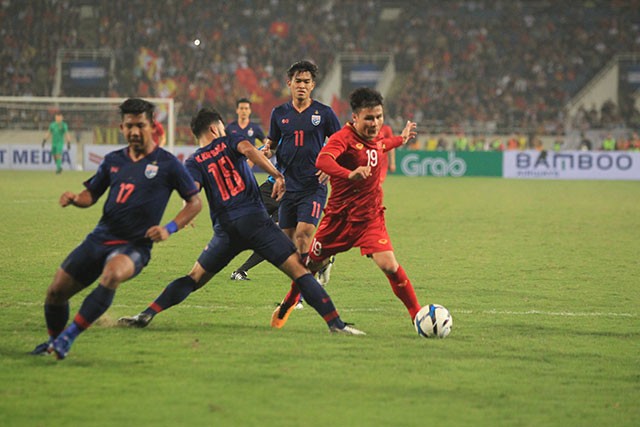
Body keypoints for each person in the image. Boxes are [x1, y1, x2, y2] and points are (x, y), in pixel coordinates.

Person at [117, 108, 365, 336]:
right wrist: (276, 175)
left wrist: (177, 221)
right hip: (256, 223)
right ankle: (336, 324)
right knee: (301, 272)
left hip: (225, 231)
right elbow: (250, 151)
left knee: (193, 278)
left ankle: (146, 313)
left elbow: (191, 195)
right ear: (216, 128)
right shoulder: (231, 139)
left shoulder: (193, 161)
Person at [31, 98, 203, 360]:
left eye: (140, 125)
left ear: (152, 126)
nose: (135, 131)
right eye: (129, 126)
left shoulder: (168, 163)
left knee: (112, 274)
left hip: (135, 245)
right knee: (55, 293)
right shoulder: (113, 160)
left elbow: (194, 202)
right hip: (99, 238)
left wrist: (169, 228)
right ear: (122, 127)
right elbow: (92, 194)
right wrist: (77, 199)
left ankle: (69, 336)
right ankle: (54, 341)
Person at [271, 87, 422, 329]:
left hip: (370, 219)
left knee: (390, 266)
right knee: (308, 268)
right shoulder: (344, 138)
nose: (375, 123)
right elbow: (322, 160)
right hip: (338, 221)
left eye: (379, 117)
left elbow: (383, 145)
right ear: (355, 118)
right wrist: (348, 174)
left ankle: (417, 316)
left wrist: (402, 139)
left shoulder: (375, 139)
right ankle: (288, 303)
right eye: (369, 118)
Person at [263, 60, 341, 289]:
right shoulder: (279, 114)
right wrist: (267, 150)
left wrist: (331, 164)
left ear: (313, 85)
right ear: (289, 83)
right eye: (298, 81)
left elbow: (341, 143)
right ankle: (323, 261)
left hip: (313, 186)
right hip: (288, 186)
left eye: (307, 82)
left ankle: (303, 290)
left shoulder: (324, 114)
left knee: (304, 234)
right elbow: (272, 143)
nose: (302, 85)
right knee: (288, 244)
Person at [226, 98, 273, 281]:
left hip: (287, 192)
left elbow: (264, 146)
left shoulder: (255, 129)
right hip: (264, 185)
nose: (244, 111)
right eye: (242, 108)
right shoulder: (230, 128)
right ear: (237, 110)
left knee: (278, 235)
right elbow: (263, 150)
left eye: (247, 108)